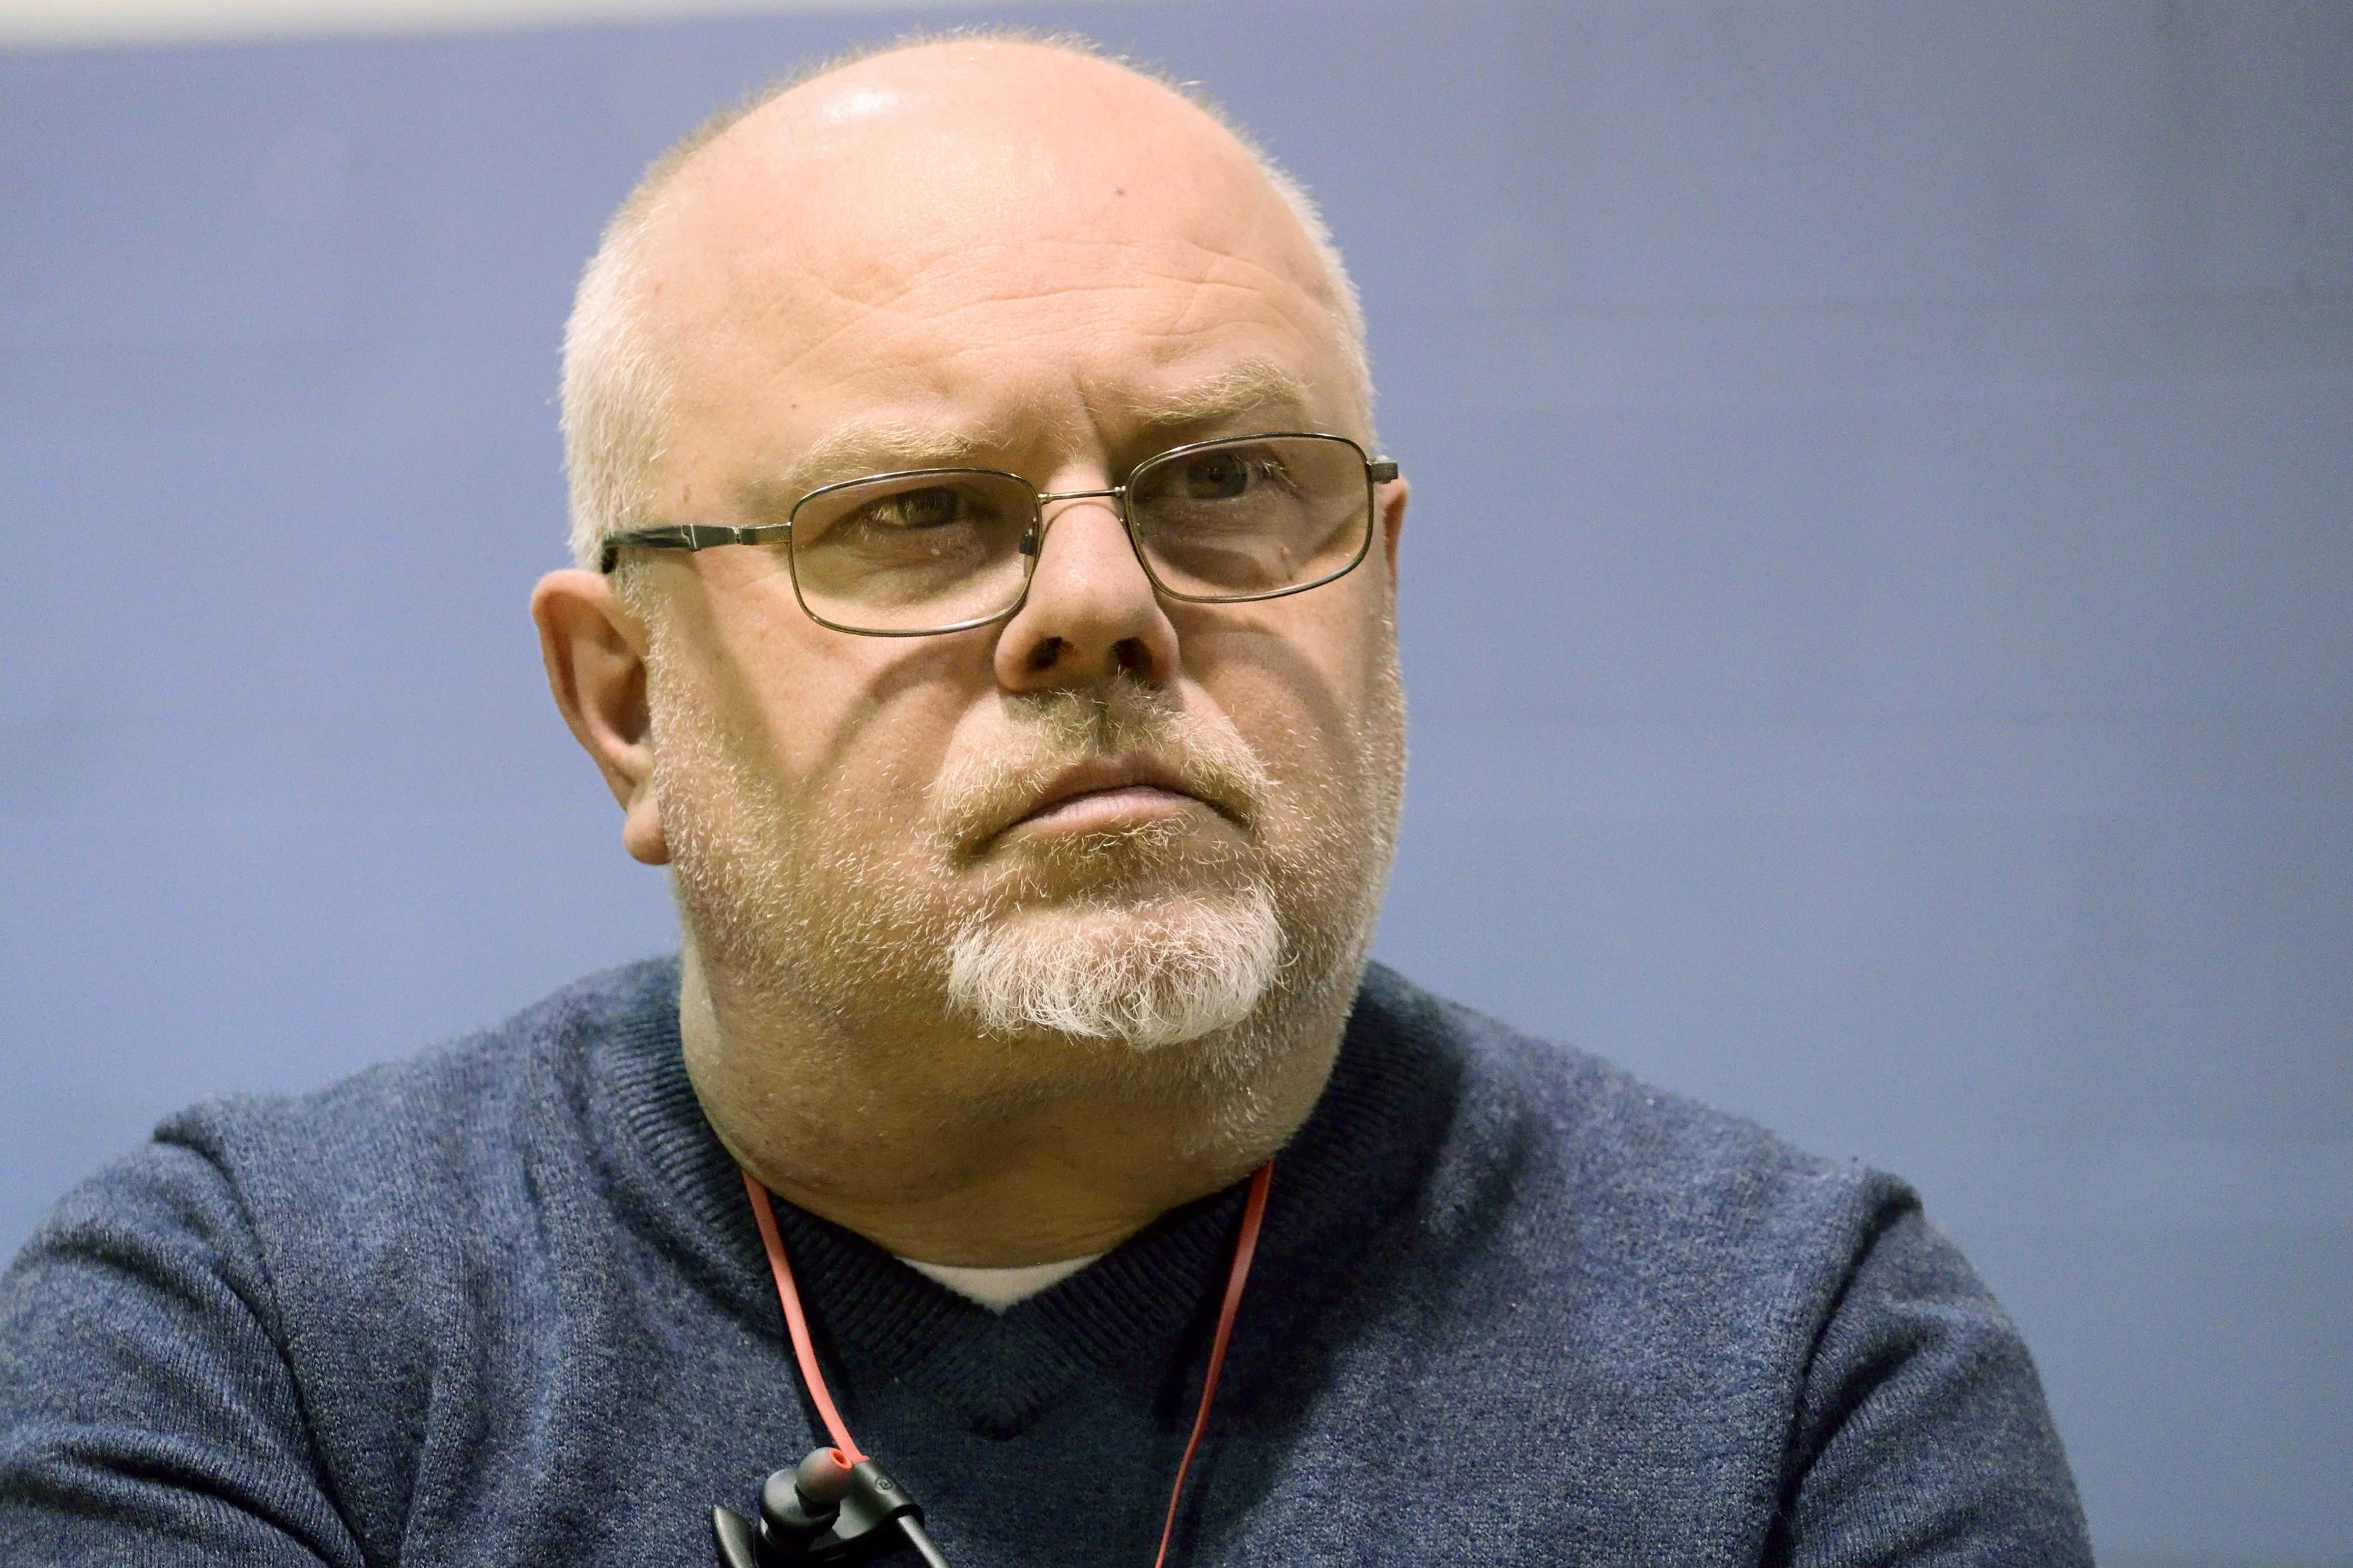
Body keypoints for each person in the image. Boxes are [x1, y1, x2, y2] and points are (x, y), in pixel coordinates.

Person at [0, 33, 2093, 1567]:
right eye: (915, 514)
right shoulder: (262, 1346)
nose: (1102, 601)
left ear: (1381, 592)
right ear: (627, 702)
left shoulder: (1798, 1372)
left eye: (1229, 485)